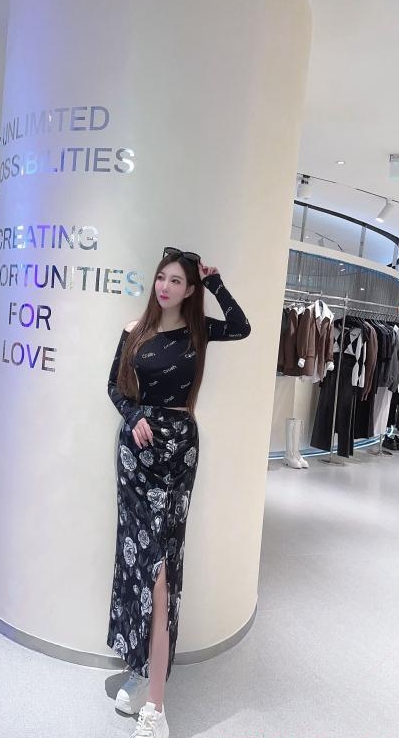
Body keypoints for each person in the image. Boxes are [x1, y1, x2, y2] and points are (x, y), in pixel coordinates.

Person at [107, 246, 251, 738]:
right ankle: (140, 667)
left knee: (162, 569)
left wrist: (216, 284)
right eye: (161, 277)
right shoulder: (134, 330)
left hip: (178, 454)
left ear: (189, 290)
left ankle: (156, 706)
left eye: (176, 281)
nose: (165, 287)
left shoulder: (198, 331)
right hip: (136, 454)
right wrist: (133, 416)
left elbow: (242, 326)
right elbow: (115, 388)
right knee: (137, 563)